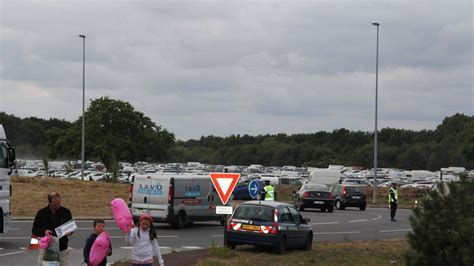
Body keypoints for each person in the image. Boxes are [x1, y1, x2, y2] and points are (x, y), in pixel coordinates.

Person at [32, 192, 73, 266]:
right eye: (55, 204)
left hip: (62, 247)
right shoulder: (41, 213)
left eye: (59, 204)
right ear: (50, 202)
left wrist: (69, 232)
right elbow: (34, 230)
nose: (57, 206)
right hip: (46, 248)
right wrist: (44, 232)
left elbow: (71, 228)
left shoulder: (66, 212)